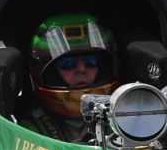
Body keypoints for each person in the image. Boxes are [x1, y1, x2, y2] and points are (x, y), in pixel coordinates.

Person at [21, 13, 120, 143]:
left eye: (91, 61)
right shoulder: (28, 131)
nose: (81, 69)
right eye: (67, 64)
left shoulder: (126, 119)